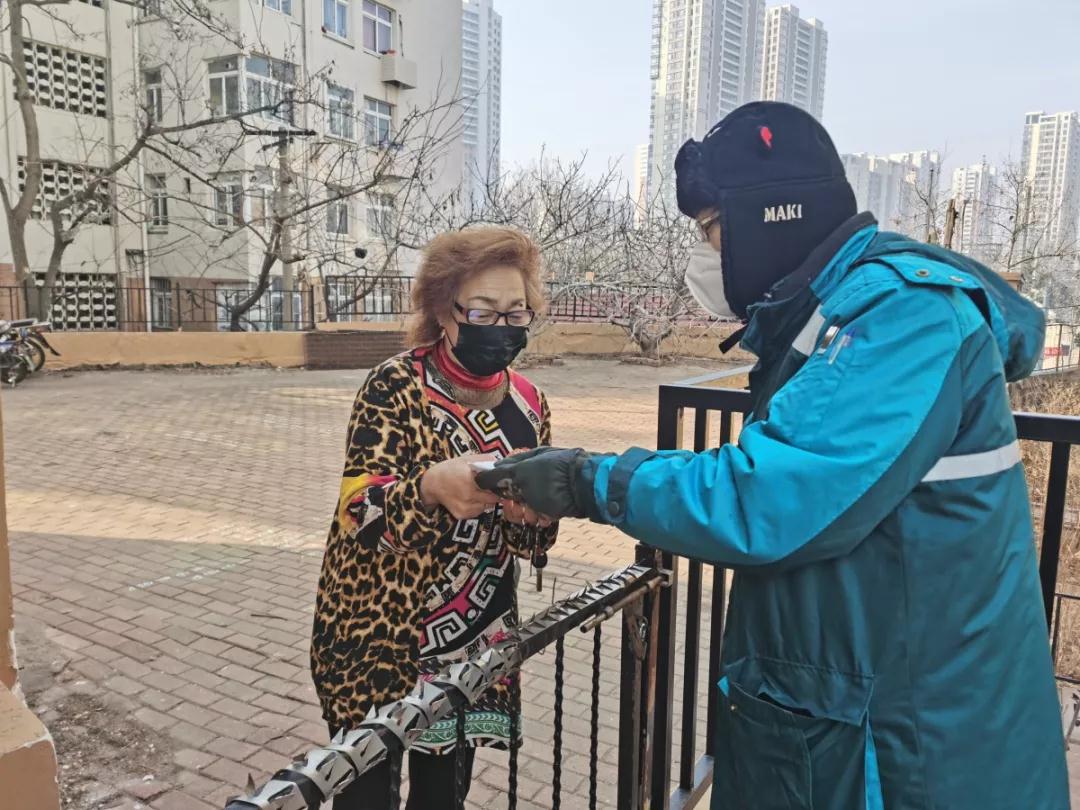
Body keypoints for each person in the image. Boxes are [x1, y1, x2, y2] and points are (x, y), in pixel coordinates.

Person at [477, 102, 1069, 809]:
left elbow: (765, 498)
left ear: (772, 218)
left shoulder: (903, 317)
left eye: (712, 230)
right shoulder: (837, 311)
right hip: (858, 713)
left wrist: (585, 479)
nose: (706, 255)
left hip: (913, 751)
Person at [311, 227, 558, 810]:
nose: (501, 327)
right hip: (378, 638)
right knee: (364, 796)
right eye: (482, 312)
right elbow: (358, 509)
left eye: (515, 313)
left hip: (469, 647)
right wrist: (427, 490)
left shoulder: (529, 404)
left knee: (442, 797)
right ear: (444, 311)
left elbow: (526, 541)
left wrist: (539, 515)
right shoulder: (393, 387)